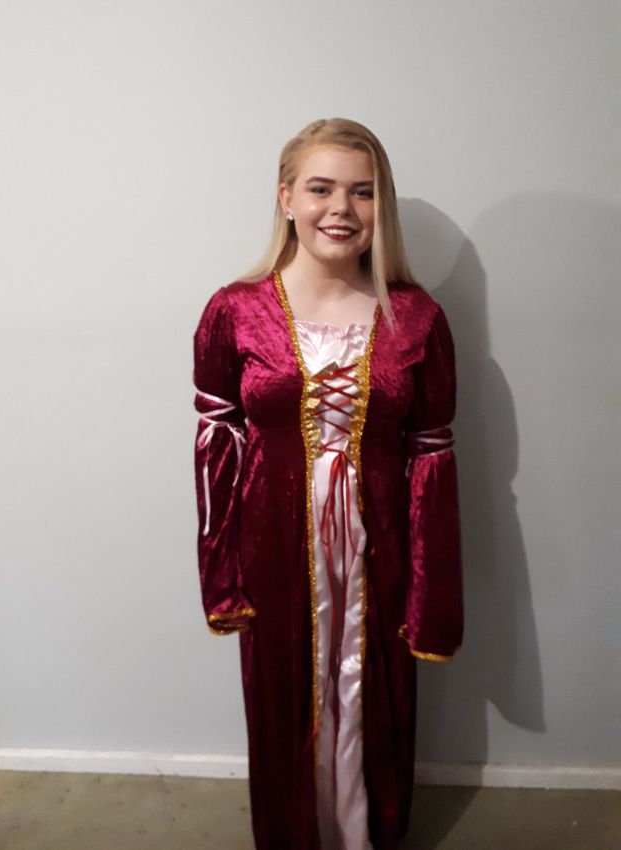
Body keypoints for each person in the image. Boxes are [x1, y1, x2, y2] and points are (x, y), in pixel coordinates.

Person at [192, 117, 463, 850]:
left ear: (382, 206)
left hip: (380, 551)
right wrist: (222, 571)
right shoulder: (234, 311)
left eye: (363, 192)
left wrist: (431, 593)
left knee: (373, 692)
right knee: (285, 697)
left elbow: (432, 460)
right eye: (321, 188)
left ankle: (369, 833)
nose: (341, 208)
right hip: (276, 549)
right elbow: (216, 447)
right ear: (286, 198)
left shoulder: (417, 318)